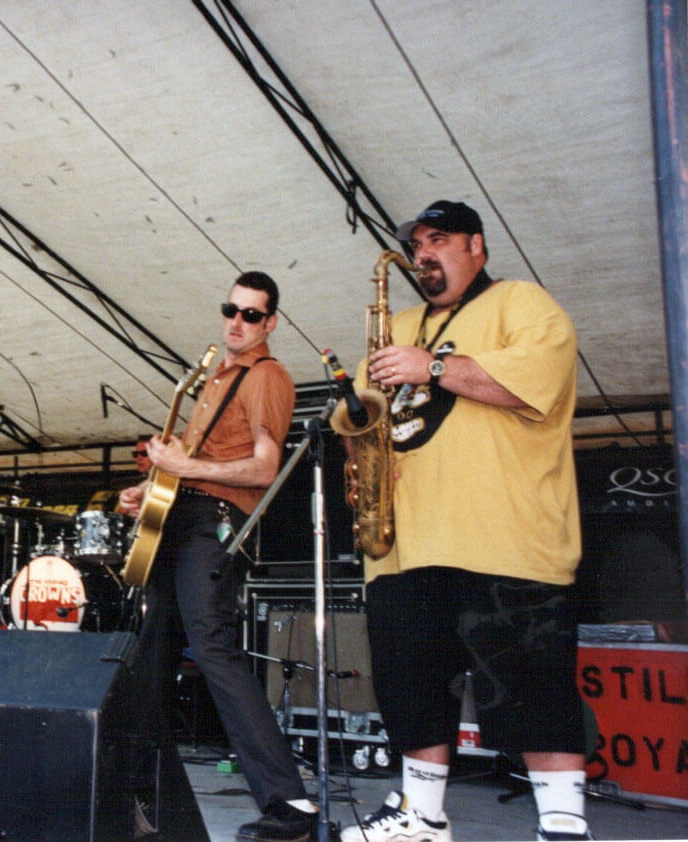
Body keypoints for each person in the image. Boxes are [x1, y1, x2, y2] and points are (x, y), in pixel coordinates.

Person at [338, 201, 589, 842]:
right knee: (412, 687)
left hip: (505, 539)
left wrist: (435, 367)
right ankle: (420, 816)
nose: (423, 253)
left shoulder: (522, 303)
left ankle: (564, 823)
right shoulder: (399, 324)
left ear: (476, 245)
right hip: (404, 543)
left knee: (532, 688)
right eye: (415, 244)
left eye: (438, 239)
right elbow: (363, 418)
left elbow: (537, 383)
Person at [119, 272, 319, 842]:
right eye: (231, 309)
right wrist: (155, 488)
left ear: (270, 322)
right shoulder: (216, 379)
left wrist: (187, 472)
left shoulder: (266, 376)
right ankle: (135, 788)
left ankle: (290, 803)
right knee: (151, 652)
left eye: (251, 314)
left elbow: (263, 468)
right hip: (184, 516)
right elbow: (194, 465)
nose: (237, 321)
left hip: (215, 525)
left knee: (213, 650)